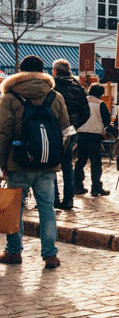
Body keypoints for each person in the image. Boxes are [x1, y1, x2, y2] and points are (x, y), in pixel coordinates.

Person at [0, 55, 70, 268]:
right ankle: (50, 254)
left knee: (15, 209)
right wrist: (56, 156)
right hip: (48, 165)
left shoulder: (10, 97)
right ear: (44, 72)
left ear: (20, 72)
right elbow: (67, 131)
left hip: (17, 163)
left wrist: (3, 164)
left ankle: (14, 251)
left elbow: (3, 133)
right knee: (47, 208)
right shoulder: (55, 96)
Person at [50, 59, 89, 211]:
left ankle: (54, 198)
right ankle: (68, 200)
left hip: (52, 129)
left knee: (51, 165)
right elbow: (86, 112)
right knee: (67, 164)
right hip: (70, 129)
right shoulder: (78, 88)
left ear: (55, 71)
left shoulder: (52, 86)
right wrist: (75, 126)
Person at [74, 84, 111, 196]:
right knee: (95, 162)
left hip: (81, 134)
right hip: (95, 136)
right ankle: (95, 187)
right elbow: (107, 120)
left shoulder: (82, 102)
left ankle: (77, 186)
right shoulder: (100, 104)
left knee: (80, 161)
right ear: (101, 93)